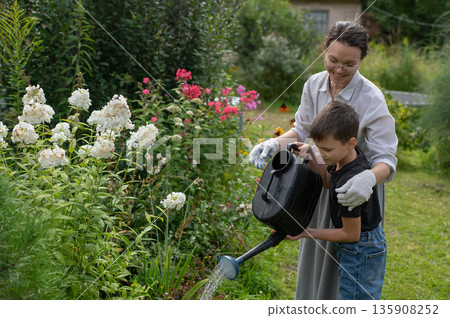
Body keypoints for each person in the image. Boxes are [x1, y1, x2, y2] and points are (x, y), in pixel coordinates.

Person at [249, 21, 398, 299]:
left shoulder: (372, 99)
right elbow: (302, 129)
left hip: (355, 192)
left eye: (349, 64)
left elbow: (386, 159)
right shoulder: (314, 84)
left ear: (362, 59)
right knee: (317, 263)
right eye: (333, 60)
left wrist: (368, 179)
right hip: (322, 183)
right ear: (324, 51)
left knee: (347, 263)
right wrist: (273, 143)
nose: (339, 70)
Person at [288, 101, 387, 300]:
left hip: (360, 250)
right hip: (363, 246)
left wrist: (306, 232)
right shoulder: (348, 156)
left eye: (327, 150)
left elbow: (350, 234)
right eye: (318, 147)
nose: (322, 154)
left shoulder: (350, 184)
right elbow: (328, 180)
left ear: (350, 142)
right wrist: (310, 153)